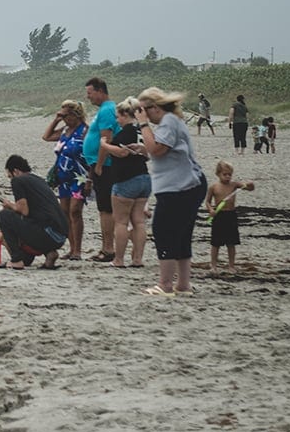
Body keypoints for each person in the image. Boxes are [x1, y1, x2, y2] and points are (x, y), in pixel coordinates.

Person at [138, 87, 207, 296]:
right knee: (182, 234)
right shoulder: (172, 121)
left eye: (143, 110)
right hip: (185, 184)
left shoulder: (168, 121)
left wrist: (143, 124)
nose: (142, 114)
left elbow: (157, 149)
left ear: (154, 108)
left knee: (163, 231)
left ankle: (165, 284)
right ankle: (183, 284)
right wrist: (142, 148)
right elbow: (162, 150)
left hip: (180, 185)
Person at [101, 98, 151, 268]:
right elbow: (147, 153)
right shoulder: (140, 131)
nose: (116, 120)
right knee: (139, 221)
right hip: (144, 178)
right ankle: (137, 259)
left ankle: (119, 259)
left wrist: (105, 146)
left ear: (125, 115)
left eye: (118, 117)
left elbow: (122, 152)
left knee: (121, 221)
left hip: (126, 179)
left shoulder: (126, 132)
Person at [0, 155, 70, 270]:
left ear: (15, 171)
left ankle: (16, 260)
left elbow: (23, 211)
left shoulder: (18, 180)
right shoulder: (38, 180)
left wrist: (9, 205)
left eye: (10, 176)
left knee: (3, 216)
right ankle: (49, 253)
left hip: (47, 234)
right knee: (35, 221)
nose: (11, 179)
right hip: (60, 236)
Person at [42, 100, 90, 260]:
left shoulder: (85, 131)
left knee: (75, 211)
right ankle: (71, 248)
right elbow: (46, 136)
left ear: (75, 115)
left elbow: (92, 153)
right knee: (64, 213)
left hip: (80, 177)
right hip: (63, 179)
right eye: (62, 116)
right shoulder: (64, 131)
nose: (64, 119)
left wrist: (91, 178)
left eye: (66, 115)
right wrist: (56, 119)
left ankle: (78, 250)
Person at [84, 77, 120, 263]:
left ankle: (108, 248)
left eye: (90, 93)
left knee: (105, 209)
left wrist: (98, 164)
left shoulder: (107, 110)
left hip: (104, 167)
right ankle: (107, 247)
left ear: (100, 91)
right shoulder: (104, 110)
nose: (88, 97)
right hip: (98, 165)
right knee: (104, 208)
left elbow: (107, 139)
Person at [205, 160, 255, 275]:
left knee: (231, 243)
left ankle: (231, 266)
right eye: (225, 174)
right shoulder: (214, 187)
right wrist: (211, 210)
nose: (227, 177)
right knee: (215, 243)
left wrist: (251, 185)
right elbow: (207, 202)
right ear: (218, 174)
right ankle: (213, 266)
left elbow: (248, 188)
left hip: (231, 215)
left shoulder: (234, 185)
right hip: (219, 216)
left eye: (229, 174)